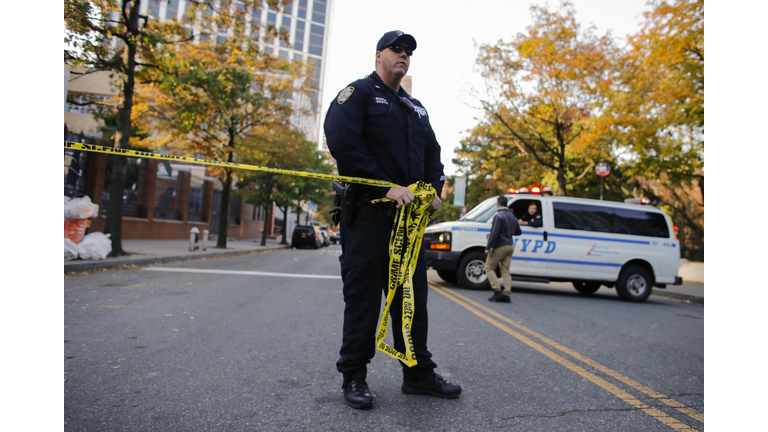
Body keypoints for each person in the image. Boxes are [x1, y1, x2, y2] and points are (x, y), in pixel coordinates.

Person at [324, 30, 461, 409]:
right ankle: (354, 376)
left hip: (409, 225)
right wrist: (385, 187)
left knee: (410, 299)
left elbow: (434, 156)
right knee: (364, 298)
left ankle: (417, 374)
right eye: (396, 49)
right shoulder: (358, 95)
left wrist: (434, 188)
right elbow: (343, 144)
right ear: (379, 54)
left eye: (409, 52)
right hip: (369, 217)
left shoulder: (416, 108)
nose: (403, 55)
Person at [485, 196, 522, 303]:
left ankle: (497, 291)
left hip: (500, 245)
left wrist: (489, 247)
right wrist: (509, 232)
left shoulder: (498, 216)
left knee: (489, 267)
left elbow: (494, 233)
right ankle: (507, 293)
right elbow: (518, 232)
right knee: (505, 270)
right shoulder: (512, 216)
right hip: (510, 245)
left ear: (498, 203)